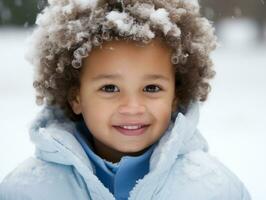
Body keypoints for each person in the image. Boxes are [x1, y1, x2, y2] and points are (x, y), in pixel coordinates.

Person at [0, 0, 251, 199]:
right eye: (110, 88)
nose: (132, 107)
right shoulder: (27, 190)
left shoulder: (214, 190)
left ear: (177, 95)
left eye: (152, 88)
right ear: (75, 96)